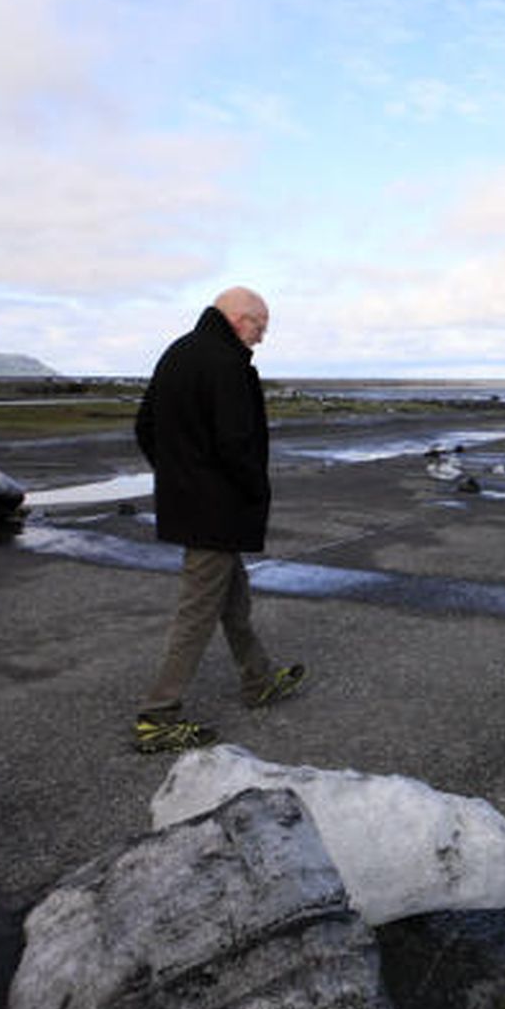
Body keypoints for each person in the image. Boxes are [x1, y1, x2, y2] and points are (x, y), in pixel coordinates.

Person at [131, 286, 305, 752]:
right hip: (217, 508)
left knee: (234, 600)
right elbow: (236, 445)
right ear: (236, 317)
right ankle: (157, 715)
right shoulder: (227, 365)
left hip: (193, 503)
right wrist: (252, 489)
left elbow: (144, 425)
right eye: (259, 326)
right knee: (198, 610)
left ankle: (258, 679)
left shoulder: (178, 352)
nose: (262, 338)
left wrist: (178, 475)